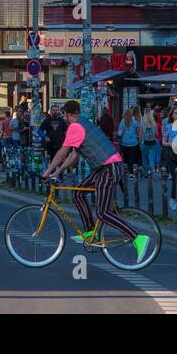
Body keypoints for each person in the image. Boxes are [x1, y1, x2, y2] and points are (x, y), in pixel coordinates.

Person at [42, 100, 150, 263]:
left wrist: (47, 172)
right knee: (78, 192)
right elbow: (73, 155)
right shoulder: (84, 123)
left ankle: (138, 238)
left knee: (103, 212)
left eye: (64, 115)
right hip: (103, 167)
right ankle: (89, 232)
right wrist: (57, 172)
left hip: (109, 168)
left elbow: (62, 152)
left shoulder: (74, 127)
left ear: (66, 114)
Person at [116, 108, 143, 173]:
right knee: (132, 159)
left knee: (125, 159)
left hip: (124, 144)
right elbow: (138, 132)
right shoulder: (135, 122)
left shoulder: (122, 122)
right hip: (133, 144)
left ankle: (126, 172)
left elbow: (120, 134)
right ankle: (132, 173)